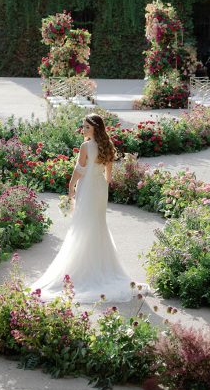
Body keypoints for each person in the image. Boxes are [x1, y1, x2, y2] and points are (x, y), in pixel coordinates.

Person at [29, 113, 140, 303]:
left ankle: (82, 267)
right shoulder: (107, 146)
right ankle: (99, 265)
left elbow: (79, 170)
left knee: (82, 226)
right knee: (97, 225)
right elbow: (109, 177)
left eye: (87, 127)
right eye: (83, 126)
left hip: (88, 188)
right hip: (100, 190)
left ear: (96, 127)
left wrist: (71, 186)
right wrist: (100, 184)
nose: (84, 129)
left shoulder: (86, 146)